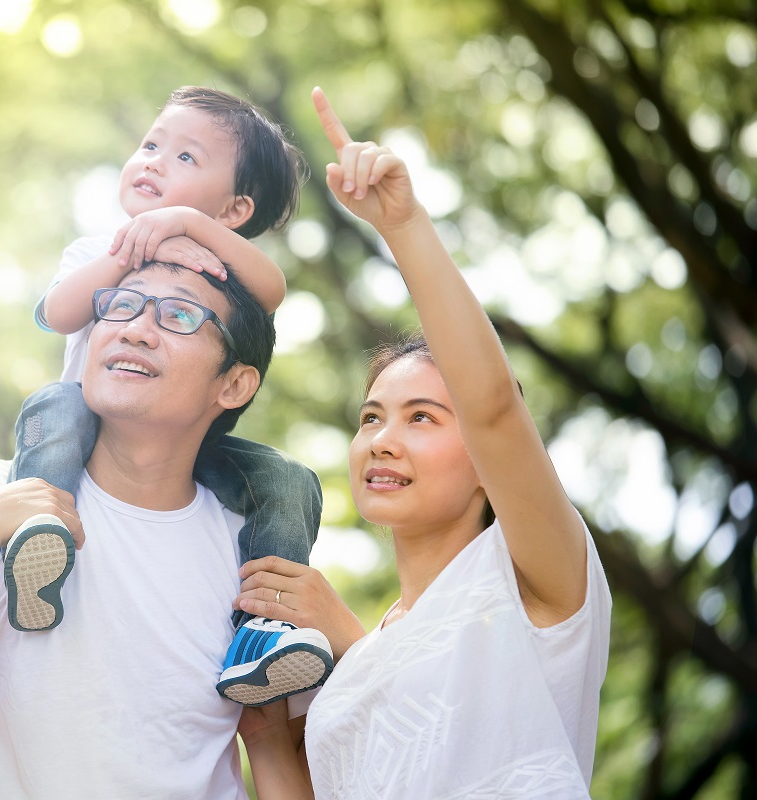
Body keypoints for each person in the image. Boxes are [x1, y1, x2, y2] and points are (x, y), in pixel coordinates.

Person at [235, 88, 612, 799]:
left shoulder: (537, 586)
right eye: (371, 417)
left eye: (422, 418)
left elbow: (494, 408)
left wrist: (401, 226)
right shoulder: (352, 667)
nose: (381, 440)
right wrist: (265, 727)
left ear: (485, 468)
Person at [0, 260, 318, 796]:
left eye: (179, 314)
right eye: (122, 305)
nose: (134, 328)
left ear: (235, 383)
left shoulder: (253, 549)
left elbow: (282, 757)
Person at [5, 86, 332, 705]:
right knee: (56, 402)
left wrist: (185, 228)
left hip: (186, 444)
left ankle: (264, 629)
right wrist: (139, 250)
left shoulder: (226, 264)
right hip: (89, 427)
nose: (154, 160)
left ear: (234, 209)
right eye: (152, 144)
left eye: (186, 157)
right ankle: (37, 537)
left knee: (286, 480)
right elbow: (57, 311)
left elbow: (273, 287)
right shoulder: (99, 248)